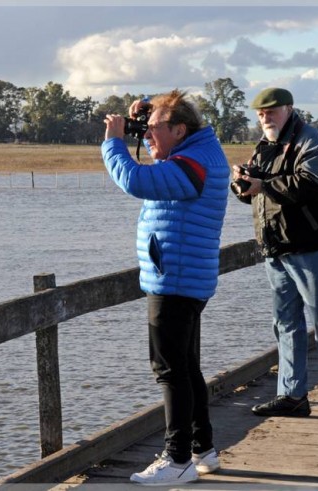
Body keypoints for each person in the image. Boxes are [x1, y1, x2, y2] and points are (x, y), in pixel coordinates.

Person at [102, 89, 229, 486]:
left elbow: (135, 179)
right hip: (182, 274)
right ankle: (203, 450)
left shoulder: (193, 165)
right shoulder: (195, 152)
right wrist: (144, 108)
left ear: (179, 129)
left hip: (174, 278)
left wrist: (113, 142)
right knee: (186, 366)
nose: (148, 136)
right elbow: (159, 142)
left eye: (154, 129)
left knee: (169, 368)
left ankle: (176, 460)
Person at [231, 87, 318, 419]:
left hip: (311, 246)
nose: (265, 117)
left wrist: (264, 184)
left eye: (271, 111)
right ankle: (292, 395)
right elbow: (255, 195)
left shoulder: (310, 140)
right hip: (276, 248)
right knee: (285, 323)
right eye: (260, 113)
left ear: (289, 109)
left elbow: (313, 184)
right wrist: (243, 184)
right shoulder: (265, 146)